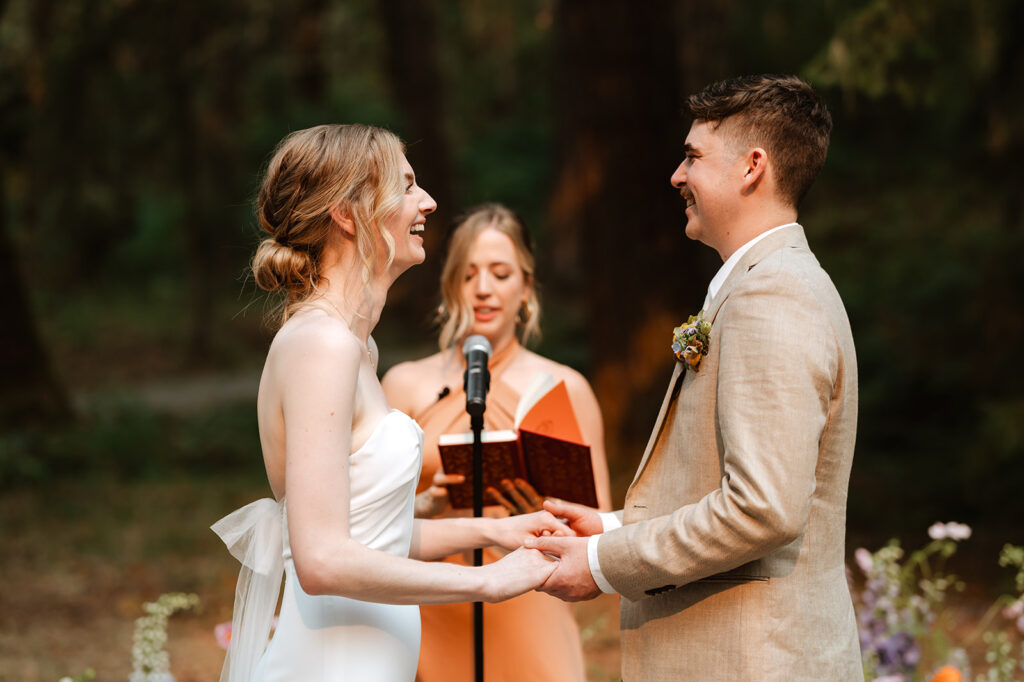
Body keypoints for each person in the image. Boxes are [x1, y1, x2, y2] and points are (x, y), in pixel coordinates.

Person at [526, 74, 864, 680]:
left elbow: (763, 508)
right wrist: (611, 526)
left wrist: (604, 561)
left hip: (752, 661)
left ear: (752, 168)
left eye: (693, 156)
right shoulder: (765, 283)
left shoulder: (774, 295)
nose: (677, 176)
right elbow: (720, 482)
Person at [211, 125, 569, 682]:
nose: (427, 201)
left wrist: (494, 532)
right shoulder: (321, 346)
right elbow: (323, 560)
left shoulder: (357, 348)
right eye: (405, 186)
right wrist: (486, 582)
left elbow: (373, 535)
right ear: (349, 214)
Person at [382, 203, 611, 682]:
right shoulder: (404, 385)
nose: (484, 288)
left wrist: (546, 514)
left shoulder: (566, 387)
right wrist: (425, 502)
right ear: (449, 286)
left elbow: (602, 532)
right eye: (469, 274)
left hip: (531, 606)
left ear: (525, 287)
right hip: (429, 609)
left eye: (501, 273)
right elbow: (363, 523)